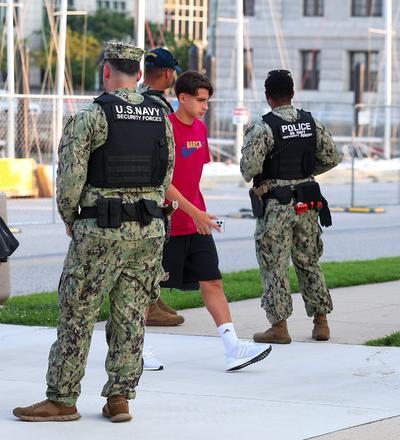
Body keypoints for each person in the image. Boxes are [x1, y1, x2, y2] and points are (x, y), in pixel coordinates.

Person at [13, 41, 175, 423]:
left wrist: (71, 217)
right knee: (131, 315)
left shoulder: (91, 116)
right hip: (149, 231)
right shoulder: (159, 117)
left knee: (77, 314)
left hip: (100, 230)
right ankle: (120, 398)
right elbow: (166, 175)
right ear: (138, 74)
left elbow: (69, 179)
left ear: (106, 70)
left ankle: (63, 399)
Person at [161, 71, 271, 371]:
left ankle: (233, 347)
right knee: (145, 291)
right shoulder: (165, 130)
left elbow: (192, 178)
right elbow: (162, 181)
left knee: (213, 281)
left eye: (207, 101)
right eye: (200, 100)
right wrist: (192, 211)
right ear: (181, 98)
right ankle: (133, 353)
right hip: (166, 222)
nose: (204, 106)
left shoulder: (199, 128)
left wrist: (199, 213)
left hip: (198, 221)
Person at [240, 70, 340, 344]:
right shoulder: (311, 123)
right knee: (309, 262)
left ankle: (279, 327)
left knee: (274, 265)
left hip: (277, 205)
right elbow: (333, 157)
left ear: (267, 96)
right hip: (307, 202)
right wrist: (305, 173)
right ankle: (321, 323)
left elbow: (248, 169)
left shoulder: (263, 128)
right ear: (293, 94)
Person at [138, 47, 184, 328]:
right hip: (155, 187)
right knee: (154, 248)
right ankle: (149, 304)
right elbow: (165, 152)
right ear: (168, 73)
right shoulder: (160, 106)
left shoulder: (139, 99)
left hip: (138, 185)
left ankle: (154, 299)